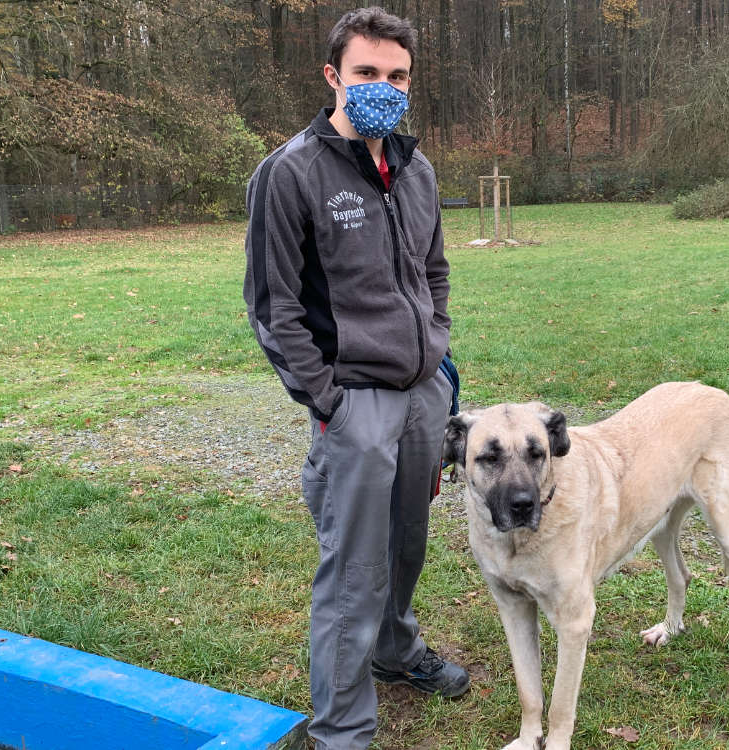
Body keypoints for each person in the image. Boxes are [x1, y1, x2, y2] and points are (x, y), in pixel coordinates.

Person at [242, 7, 467, 749]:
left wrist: (436, 348)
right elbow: (273, 308)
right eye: (367, 72)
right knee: (354, 570)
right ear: (334, 76)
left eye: (397, 75)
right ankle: (341, 728)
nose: (383, 87)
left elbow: (431, 270)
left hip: (423, 393)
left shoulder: (416, 168)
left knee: (407, 544)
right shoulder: (290, 173)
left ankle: (397, 652)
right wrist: (330, 402)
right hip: (355, 403)